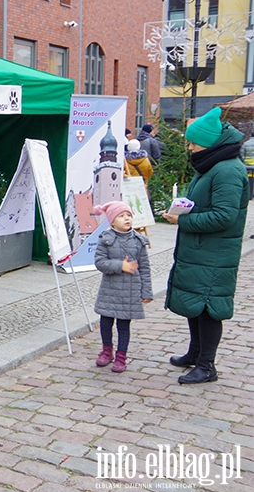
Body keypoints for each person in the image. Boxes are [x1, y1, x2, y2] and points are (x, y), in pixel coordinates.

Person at [162, 107, 249, 384]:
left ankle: (206, 366)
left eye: (192, 142)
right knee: (195, 303)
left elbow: (225, 216)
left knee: (208, 307)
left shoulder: (227, 170)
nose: (189, 147)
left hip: (214, 253)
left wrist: (183, 222)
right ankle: (195, 352)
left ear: (209, 143)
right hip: (201, 250)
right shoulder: (213, 164)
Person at [92, 201, 153, 373]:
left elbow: (145, 268)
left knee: (124, 326)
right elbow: (100, 262)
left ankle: (121, 356)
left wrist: (146, 291)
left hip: (130, 291)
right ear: (112, 221)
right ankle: (106, 351)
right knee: (105, 323)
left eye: (129, 215)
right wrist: (121, 266)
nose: (127, 218)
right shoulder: (106, 239)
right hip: (110, 290)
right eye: (121, 216)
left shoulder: (138, 241)